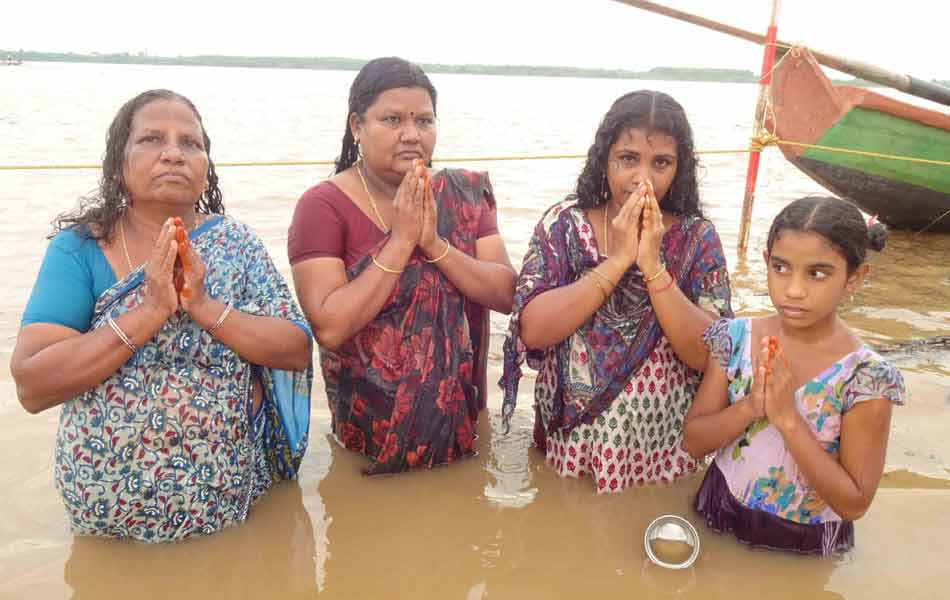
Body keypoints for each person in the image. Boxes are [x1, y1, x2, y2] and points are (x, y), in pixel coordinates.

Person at [10, 89, 313, 542]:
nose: (174, 153)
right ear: (119, 163)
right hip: (106, 516)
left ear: (206, 167)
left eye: (191, 143)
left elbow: (295, 350)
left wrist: (204, 307)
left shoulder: (238, 246)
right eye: (152, 139)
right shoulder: (80, 249)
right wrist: (150, 311)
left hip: (225, 506)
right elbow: (32, 386)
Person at [288, 57, 516, 475]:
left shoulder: (463, 193)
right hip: (366, 442)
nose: (411, 134)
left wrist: (433, 242)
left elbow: (505, 293)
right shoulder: (322, 206)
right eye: (392, 119)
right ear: (357, 126)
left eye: (424, 121)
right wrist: (402, 240)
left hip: (460, 427)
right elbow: (331, 325)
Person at [500, 90, 732, 493]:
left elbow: (711, 357)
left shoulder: (698, 237)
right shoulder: (565, 226)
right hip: (568, 445)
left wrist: (653, 265)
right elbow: (532, 330)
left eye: (661, 163)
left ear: (680, 169)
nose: (643, 178)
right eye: (628, 159)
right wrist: (618, 260)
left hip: (661, 450)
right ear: (604, 159)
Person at [683, 196, 905, 555]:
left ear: (855, 277)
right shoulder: (736, 339)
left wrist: (787, 419)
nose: (794, 289)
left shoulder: (864, 378)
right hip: (719, 506)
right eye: (782, 268)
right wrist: (750, 407)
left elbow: (854, 504)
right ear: (767, 262)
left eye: (818, 273)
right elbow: (693, 442)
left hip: (804, 538)